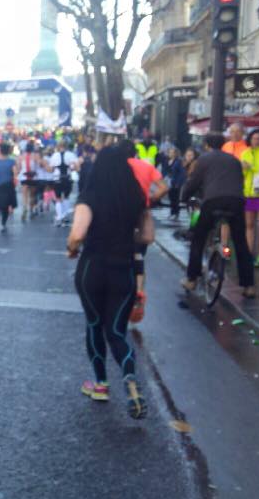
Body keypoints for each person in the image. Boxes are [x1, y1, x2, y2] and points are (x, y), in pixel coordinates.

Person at [66, 146, 153, 419]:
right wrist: (125, 235)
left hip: (93, 268)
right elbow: (148, 236)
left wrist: (71, 248)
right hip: (123, 269)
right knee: (116, 330)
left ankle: (101, 384)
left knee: (94, 324)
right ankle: (129, 376)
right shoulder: (136, 197)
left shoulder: (89, 196)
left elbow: (77, 234)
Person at [181, 132, 256, 298]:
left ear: (206, 145)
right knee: (241, 243)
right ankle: (249, 286)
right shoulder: (234, 160)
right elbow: (240, 182)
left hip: (213, 201)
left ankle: (192, 279)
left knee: (198, 238)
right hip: (236, 201)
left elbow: (193, 182)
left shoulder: (204, 159)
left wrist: (184, 197)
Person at [121, 139, 169, 323]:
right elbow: (164, 187)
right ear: (135, 152)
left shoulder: (118, 167)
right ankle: (139, 292)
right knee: (138, 253)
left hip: (120, 212)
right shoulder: (146, 166)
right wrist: (151, 198)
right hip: (141, 210)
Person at [241, 128, 259, 267]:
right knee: (249, 224)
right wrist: (243, 168)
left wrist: (251, 167)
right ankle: (248, 253)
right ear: (250, 139)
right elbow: (243, 174)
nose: (256, 141)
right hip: (248, 193)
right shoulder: (245, 153)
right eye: (254, 138)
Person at [0, 143, 19, 232]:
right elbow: (15, 173)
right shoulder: (11, 161)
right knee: (6, 206)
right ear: (8, 151)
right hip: (8, 185)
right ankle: (3, 224)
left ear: (0, 151)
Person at [47, 141, 78, 226]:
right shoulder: (71, 155)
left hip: (57, 179)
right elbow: (75, 167)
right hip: (67, 178)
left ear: (58, 146)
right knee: (66, 197)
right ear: (66, 146)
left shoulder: (54, 155)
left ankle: (59, 217)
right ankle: (65, 217)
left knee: (58, 198)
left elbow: (51, 169)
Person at [19, 141, 41, 222]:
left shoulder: (21, 156)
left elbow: (19, 167)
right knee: (32, 195)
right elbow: (40, 164)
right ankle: (31, 210)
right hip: (33, 177)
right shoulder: (35, 155)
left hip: (24, 177)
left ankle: (25, 208)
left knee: (24, 195)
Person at [164, 147, 187, 221]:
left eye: (172, 152)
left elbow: (182, 173)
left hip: (176, 182)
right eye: (169, 152)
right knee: (171, 198)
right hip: (169, 181)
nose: (170, 154)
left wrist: (178, 183)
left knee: (175, 198)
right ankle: (172, 213)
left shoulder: (178, 162)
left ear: (175, 153)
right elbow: (165, 170)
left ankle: (176, 213)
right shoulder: (167, 160)